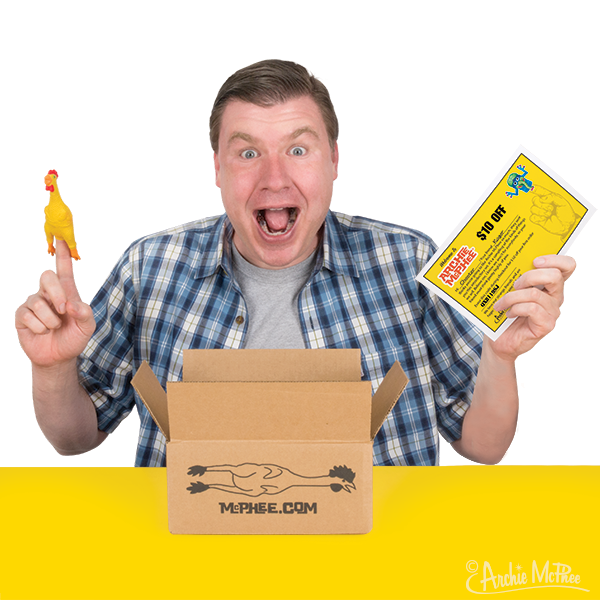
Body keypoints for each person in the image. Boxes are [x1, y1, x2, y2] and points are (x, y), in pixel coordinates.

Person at [15, 60, 575, 467]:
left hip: (375, 575)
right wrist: (52, 366)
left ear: (334, 161)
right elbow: (73, 438)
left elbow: (484, 445)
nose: (274, 178)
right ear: (218, 167)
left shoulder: (408, 264)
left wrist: (501, 355)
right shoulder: (150, 268)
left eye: (299, 150)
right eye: (248, 152)